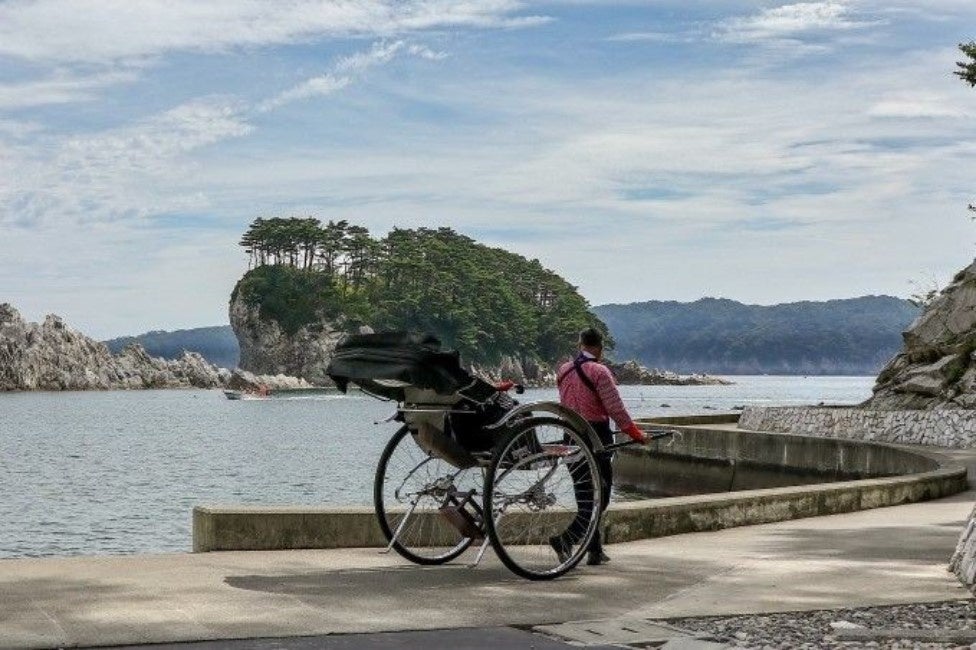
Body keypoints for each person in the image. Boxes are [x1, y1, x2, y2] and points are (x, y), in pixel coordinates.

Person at [553, 327, 647, 566]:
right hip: (596, 436)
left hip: (570, 436)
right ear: (600, 347)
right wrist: (635, 433)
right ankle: (567, 539)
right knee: (601, 496)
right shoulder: (599, 371)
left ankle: (594, 549)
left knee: (584, 494)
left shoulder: (563, 370)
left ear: (580, 344)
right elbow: (615, 409)